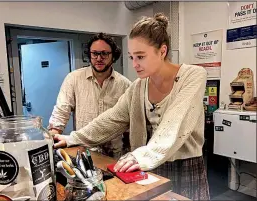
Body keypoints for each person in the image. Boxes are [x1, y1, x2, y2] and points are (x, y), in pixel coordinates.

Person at [53, 13, 210, 200]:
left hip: (183, 166)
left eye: (141, 57)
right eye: (131, 57)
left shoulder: (193, 76)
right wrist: (73, 138)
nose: (135, 65)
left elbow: (174, 124)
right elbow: (112, 119)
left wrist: (139, 157)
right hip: (147, 165)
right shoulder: (138, 86)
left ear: (162, 51)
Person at [48, 33, 131, 159]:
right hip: (83, 151)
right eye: (95, 53)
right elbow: (61, 111)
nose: (99, 58)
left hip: (114, 155)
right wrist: (52, 136)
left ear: (113, 55)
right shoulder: (74, 78)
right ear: (89, 54)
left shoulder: (125, 85)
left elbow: (128, 125)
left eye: (104, 53)